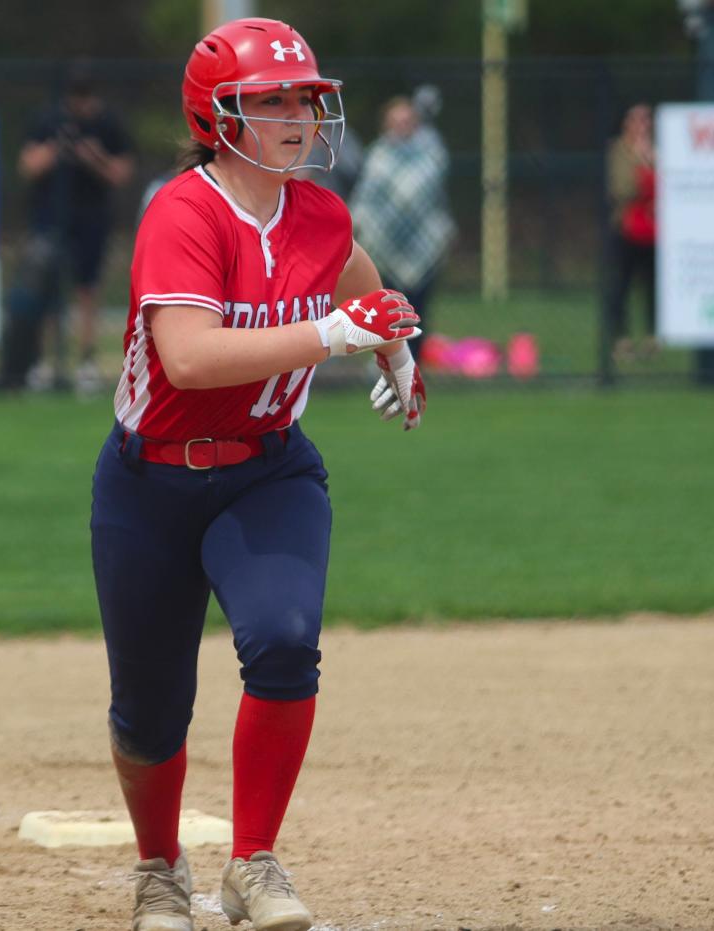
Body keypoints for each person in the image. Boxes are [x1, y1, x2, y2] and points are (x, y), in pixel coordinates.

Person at [90, 18, 427, 931]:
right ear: (216, 114)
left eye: (307, 99)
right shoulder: (184, 210)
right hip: (149, 481)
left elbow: (351, 270)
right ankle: (159, 870)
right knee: (150, 712)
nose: (298, 114)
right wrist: (333, 334)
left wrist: (391, 342)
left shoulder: (318, 210)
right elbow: (189, 358)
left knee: (282, 643)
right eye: (270, 99)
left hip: (268, 469)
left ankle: (252, 864)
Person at [4, 67, 134, 395]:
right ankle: (46, 362)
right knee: (47, 291)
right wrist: (55, 150)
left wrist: (94, 157)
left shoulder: (108, 123)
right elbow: (27, 166)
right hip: (50, 216)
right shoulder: (47, 121)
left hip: (91, 217)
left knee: (87, 289)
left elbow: (121, 174)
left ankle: (86, 361)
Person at [348, 94, 455, 363]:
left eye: (407, 120)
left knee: (419, 309)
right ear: (385, 124)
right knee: (390, 308)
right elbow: (367, 198)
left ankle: (416, 363)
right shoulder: (377, 156)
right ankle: (389, 361)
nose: (402, 126)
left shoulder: (431, 153)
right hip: (385, 245)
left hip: (423, 244)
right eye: (396, 121)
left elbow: (430, 191)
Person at [606, 103, 658, 365]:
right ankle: (621, 339)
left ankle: (652, 338)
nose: (642, 125)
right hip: (627, 229)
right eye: (636, 120)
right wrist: (642, 167)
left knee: (654, 287)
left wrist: (651, 160)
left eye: (646, 120)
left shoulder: (659, 150)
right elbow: (621, 188)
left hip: (654, 231)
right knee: (620, 286)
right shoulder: (619, 151)